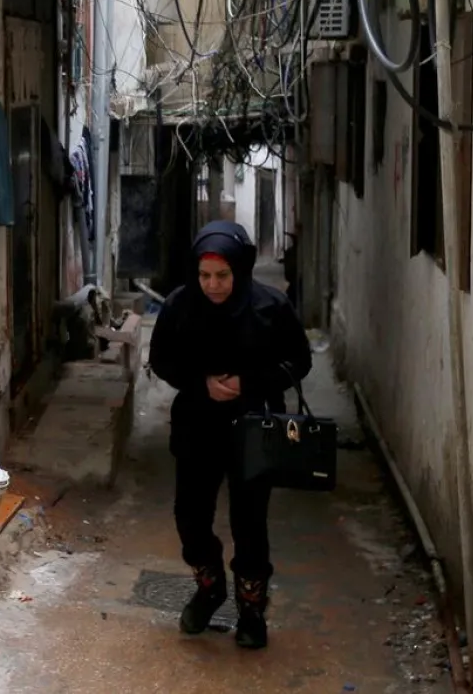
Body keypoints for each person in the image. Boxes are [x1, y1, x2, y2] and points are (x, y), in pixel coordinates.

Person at [148, 220, 312, 650]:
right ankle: (210, 587)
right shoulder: (179, 307)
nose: (213, 285)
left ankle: (251, 610)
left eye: (222, 275)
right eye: (204, 276)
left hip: (254, 427)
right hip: (197, 426)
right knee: (190, 516)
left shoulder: (270, 308)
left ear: (239, 269)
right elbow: (161, 360)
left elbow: (299, 361)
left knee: (250, 522)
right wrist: (200, 383)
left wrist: (249, 383)